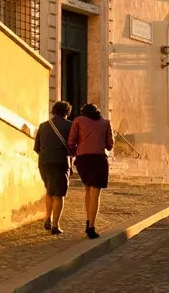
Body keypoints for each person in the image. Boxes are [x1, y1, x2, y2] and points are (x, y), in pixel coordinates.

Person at [68, 103, 114, 239]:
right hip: (99, 159)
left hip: (83, 159)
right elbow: (110, 145)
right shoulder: (105, 123)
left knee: (88, 190)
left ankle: (89, 221)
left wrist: (75, 153)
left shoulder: (78, 121)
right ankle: (91, 225)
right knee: (95, 194)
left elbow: (71, 141)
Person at [34, 101, 73, 235]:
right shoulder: (70, 125)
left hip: (44, 162)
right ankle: (55, 225)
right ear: (67, 112)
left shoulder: (43, 125)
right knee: (59, 194)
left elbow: (36, 148)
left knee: (49, 190)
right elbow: (73, 145)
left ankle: (47, 219)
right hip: (60, 162)